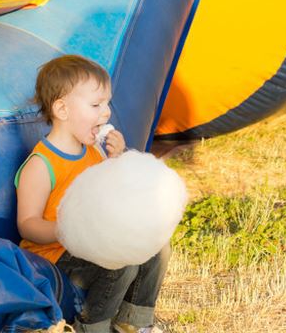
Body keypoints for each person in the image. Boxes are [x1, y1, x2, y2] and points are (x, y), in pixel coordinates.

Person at [14, 55, 170, 333]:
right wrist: (69, 230)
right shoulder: (42, 164)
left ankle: (133, 323)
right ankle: (92, 327)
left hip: (87, 244)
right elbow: (27, 225)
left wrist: (117, 159)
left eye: (107, 103)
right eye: (96, 105)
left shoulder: (93, 152)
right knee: (118, 261)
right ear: (62, 109)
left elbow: (108, 197)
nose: (107, 112)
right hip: (53, 255)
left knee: (155, 246)